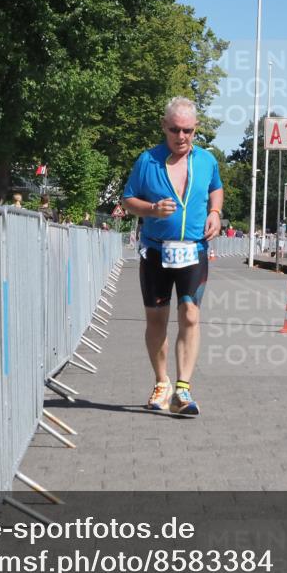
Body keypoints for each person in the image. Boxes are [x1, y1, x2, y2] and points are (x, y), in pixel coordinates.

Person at [122, 96, 223, 417]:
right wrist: (150, 209)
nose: (182, 137)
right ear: (165, 127)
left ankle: (183, 388)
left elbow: (216, 188)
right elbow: (127, 200)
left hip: (194, 250)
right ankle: (161, 381)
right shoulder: (147, 161)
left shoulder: (207, 161)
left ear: (196, 130)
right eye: (176, 130)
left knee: (191, 314)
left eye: (189, 131)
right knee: (157, 319)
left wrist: (216, 213)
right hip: (155, 250)